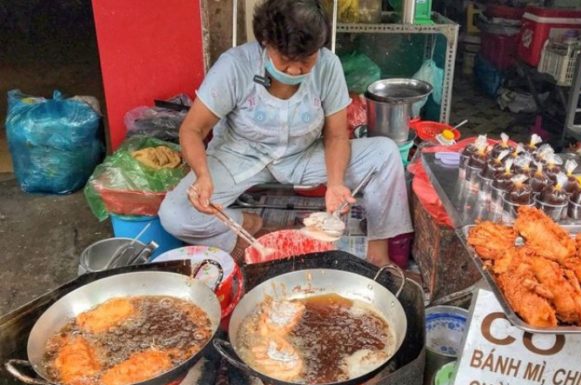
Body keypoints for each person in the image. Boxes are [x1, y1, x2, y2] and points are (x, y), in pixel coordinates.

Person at [159, 0, 412, 266]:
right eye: (286, 60)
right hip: (239, 156)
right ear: (266, 42)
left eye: (306, 61)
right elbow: (192, 128)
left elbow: (337, 135)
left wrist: (335, 182)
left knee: (385, 152)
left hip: (303, 156)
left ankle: (377, 252)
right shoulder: (235, 65)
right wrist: (202, 176)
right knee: (175, 214)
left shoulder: (328, 66)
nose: (294, 70)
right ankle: (247, 224)